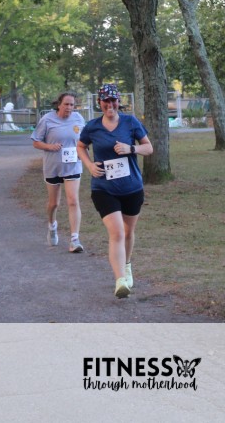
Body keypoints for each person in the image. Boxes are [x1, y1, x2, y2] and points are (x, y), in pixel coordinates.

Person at [77, 83, 153, 298]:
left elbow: (149, 148)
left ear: (119, 102)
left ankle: (127, 266)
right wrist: (89, 165)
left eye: (113, 100)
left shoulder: (130, 122)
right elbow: (80, 146)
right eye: (106, 101)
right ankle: (120, 281)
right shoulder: (92, 127)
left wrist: (131, 148)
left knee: (128, 232)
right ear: (99, 103)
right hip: (104, 188)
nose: (110, 105)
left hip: (131, 187)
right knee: (117, 232)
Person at [31, 92, 86, 252]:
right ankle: (52, 225)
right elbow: (36, 142)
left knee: (73, 200)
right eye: (66, 104)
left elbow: (84, 140)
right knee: (54, 203)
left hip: (72, 164)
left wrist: (84, 149)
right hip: (53, 166)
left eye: (72, 105)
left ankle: (74, 239)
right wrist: (49, 146)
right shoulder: (47, 119)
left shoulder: (78, 119)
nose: (69, 107)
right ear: (59, 105)